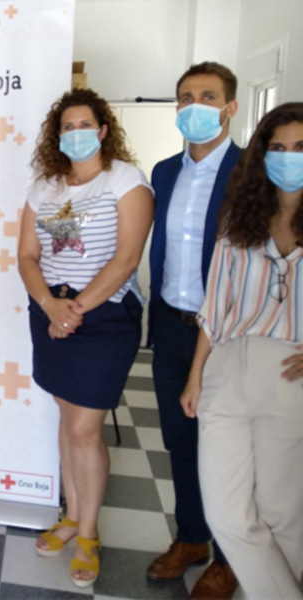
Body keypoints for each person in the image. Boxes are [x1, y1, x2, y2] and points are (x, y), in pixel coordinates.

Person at [18, 88, 154, 587]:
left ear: (102, 130)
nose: (76, 134)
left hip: (105, 318)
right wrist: (51, 307)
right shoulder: (44, 187)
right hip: (51, 313)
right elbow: (27, 256)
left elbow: (126, 260)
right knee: (67, 413)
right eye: (66, 126)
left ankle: (89, 532)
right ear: (59, 136)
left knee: (84, 429)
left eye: (84, 125)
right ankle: (71, 516)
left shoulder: (126, 181)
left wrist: (74, 310)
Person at [180, 102, 303, 600]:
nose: (288, 157)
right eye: (277, 148)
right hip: (228, 365)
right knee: (227, 513)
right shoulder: (241, 217)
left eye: (299, 148)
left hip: (289, 374)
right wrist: (195, 377)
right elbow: (215, 304)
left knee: (281, 513)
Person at [147, 61, 240, 599]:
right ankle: (192, 538)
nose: (194, 106)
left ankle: (231, 556)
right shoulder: (164, 172)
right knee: (180, 440)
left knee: (225, 448)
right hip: (172, 324)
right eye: (185, 97)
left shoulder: (252, 172)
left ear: (229, 107)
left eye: (208, 96)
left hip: (229, 334)